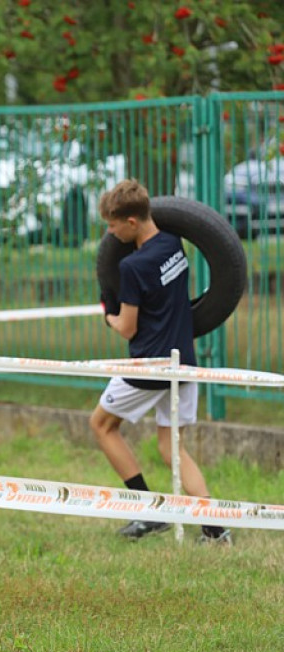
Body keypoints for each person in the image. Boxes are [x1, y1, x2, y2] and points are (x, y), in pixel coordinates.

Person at [89, 179, 231, 545]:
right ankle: (216, 529)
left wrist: (108, 311)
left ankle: (148, 512)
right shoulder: (174, 245)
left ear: (132, 222)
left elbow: (127, 328)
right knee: (171, 448)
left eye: (112, 225)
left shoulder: (133, 267)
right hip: (183, 361)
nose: (110, 232)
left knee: (102, 426)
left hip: (148, 366)